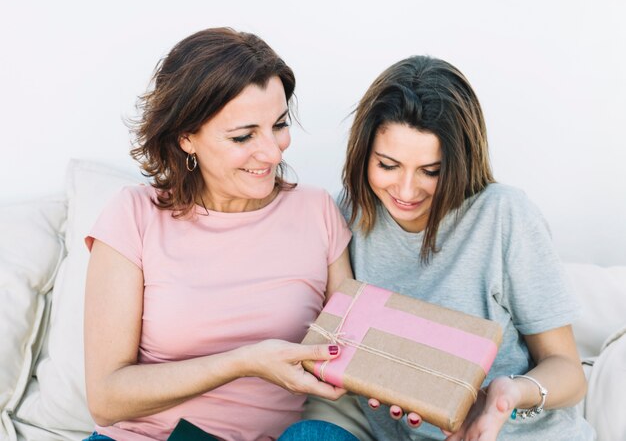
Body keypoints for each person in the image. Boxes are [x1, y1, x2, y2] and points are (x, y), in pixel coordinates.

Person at [83, 28, 357, 441]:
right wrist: (244, 361)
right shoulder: (134, 215)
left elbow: (354, 346)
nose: (273, 151)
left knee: (322, 436)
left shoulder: (317, 211)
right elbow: (105, 398)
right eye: (244, 136)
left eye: (279, 125)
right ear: (186, 136)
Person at [306, 55, 594, 441]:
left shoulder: (504, 215)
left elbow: (569, 373)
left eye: (431, 171)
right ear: (364, 155)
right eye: (388, 165)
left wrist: (506, 393)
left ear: (460, 161)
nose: (406, 191)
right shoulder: (348, 212)